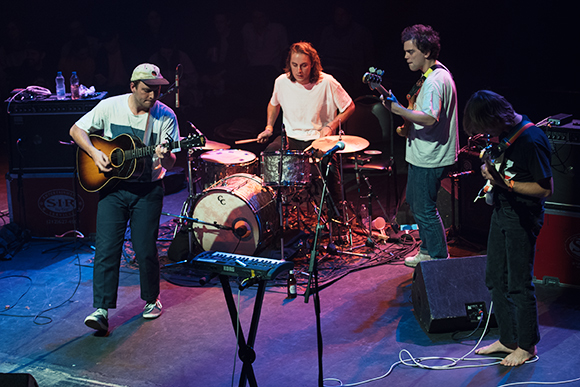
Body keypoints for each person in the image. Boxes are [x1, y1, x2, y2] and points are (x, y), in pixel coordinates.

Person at [69, 63, 179, 332]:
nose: (152, 96)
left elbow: (173, 162)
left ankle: (152, 299)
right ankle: (101, 309)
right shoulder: (110, 106)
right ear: (132, 87)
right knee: (107, 249)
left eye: (157, 91)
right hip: (113, 189)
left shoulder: (165, 116)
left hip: (148, 189)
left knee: (144, 249)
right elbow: (76, 131)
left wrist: (167, 156)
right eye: (146, 90)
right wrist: (95, 153)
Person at [463, 90, 553, 366]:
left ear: (496, 118)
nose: (486, 134)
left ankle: (527, 346)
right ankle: (508, 339)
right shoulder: (503, 134)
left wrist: (504, 184)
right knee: (494, 279)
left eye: (486, 128)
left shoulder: (530, 139)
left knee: (518, 284)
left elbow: (545, 189)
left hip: (522, 218)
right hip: (502, 211)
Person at [381, 24, 458, 267]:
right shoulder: (436, 74)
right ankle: (428, 249)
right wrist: (406, 121)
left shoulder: (435, 81)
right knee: (417, 203)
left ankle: (436, 256)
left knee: (424, 209)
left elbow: (429, 117)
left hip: (430, 156)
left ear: (425, 51)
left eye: (410, 52)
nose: (405, 57)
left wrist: (399, 110)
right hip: (424, 154)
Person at [256, 41, 355, 220]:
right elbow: (273, 104)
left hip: (319, 139)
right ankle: (274, 216)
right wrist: (269, 127)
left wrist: (330, 126)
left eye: (303, 66)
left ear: (313, 64)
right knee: (270, 154)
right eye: (295, 65)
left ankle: (337, 218)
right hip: (291, 138)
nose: (299, 71)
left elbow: (349, 107)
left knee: (328, 170)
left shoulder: (327, 82)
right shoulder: (281, 81)